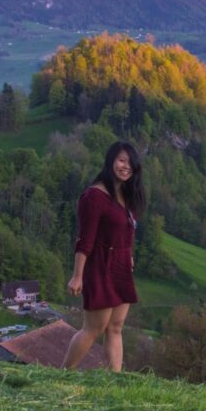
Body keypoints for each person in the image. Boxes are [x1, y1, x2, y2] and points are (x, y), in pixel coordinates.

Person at [63, 141, 144, 371]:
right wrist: (77, 276)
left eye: (130, 163)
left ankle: (115, 381)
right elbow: (85, 239)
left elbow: (128, 230)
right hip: (99, 267)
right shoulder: (94, 196)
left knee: (116, 327)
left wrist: (129, 255)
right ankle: (63, 373)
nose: (126, 167)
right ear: (110, 162)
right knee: (94, 327)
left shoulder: (126, 197)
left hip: (120, 267)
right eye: (121, 161)